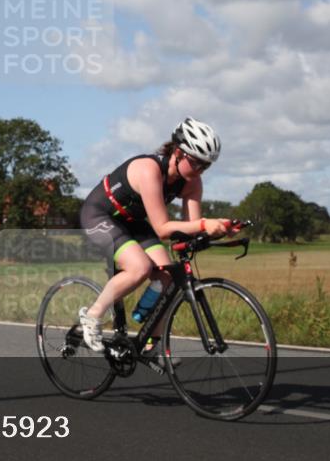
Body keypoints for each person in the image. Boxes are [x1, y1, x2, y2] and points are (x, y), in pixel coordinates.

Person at [78, 117, 235, 354]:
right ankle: (92, 316)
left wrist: (221, 229)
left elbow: (190, 227)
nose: (200, 170)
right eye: (197, 162)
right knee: (139, 267)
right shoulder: (149, 170)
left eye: (206, 165)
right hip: (100, 216)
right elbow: (162, 228)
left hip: (132, 222)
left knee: (168, 275)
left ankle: (149, 342)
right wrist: (205, 224)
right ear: (179, 153)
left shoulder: (192, 182)